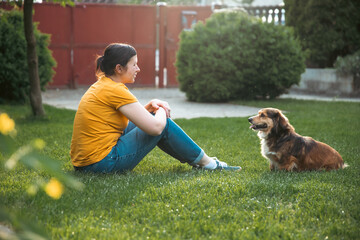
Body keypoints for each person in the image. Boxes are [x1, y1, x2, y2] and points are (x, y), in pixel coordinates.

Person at [70, 43, 241, 173]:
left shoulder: (104, 84)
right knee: (162, 124)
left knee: (153, 116)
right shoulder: (115, 89)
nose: (138, 68)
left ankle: (200, 161)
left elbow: (125, 118)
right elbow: (155, 128)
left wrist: (152, 107)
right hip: (101, 163)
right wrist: (161, 108)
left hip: (86, 163)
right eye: (134, 64)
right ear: (119, 68)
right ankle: (208, 163)